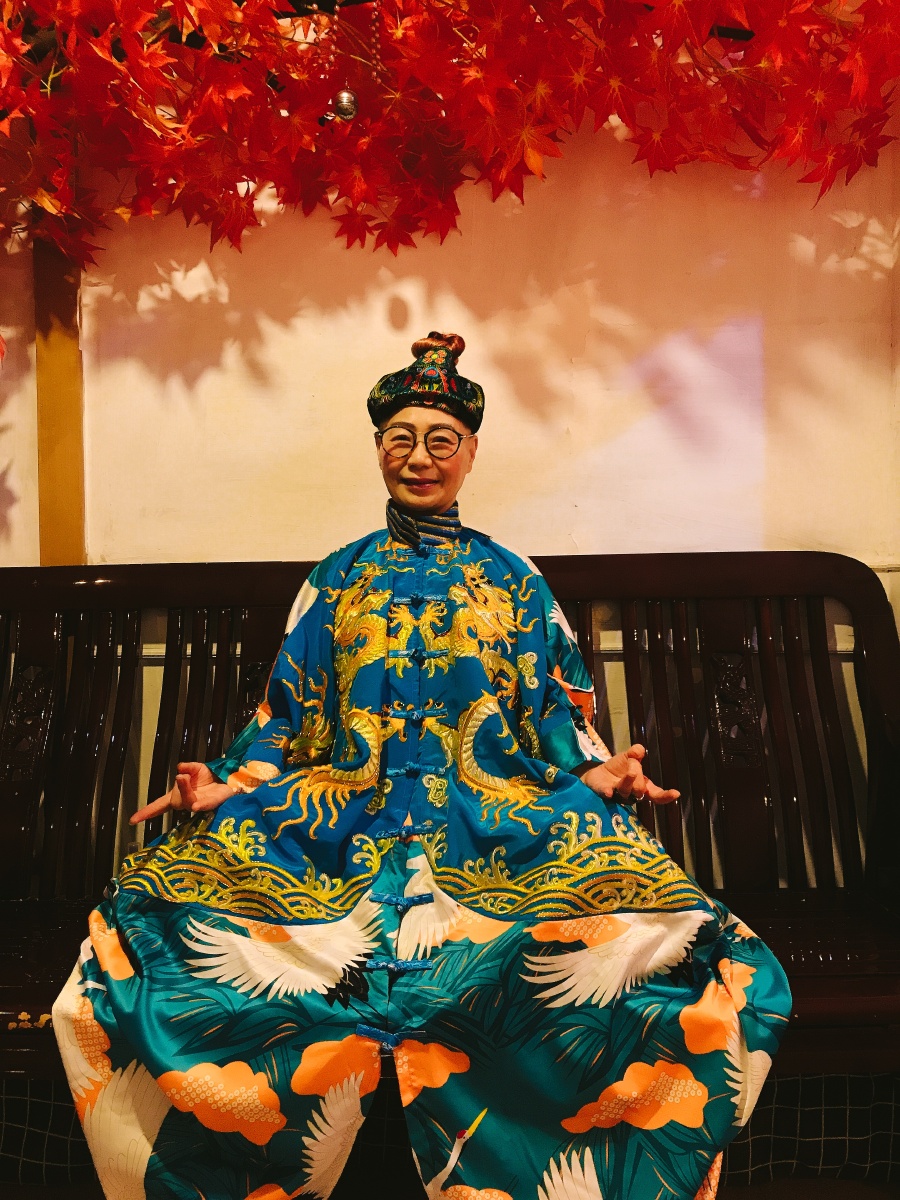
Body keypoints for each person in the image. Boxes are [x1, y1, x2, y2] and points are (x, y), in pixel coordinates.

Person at [53, 332, 791, 1200]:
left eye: (442, 440)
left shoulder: (514, 580)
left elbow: (558, 712)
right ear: (377, 449)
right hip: (340, 825)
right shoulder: (336, 579)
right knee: (153, 933)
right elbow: (286, 715)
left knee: (657, 948)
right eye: (400, 438)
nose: (420, 457)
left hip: (492, 820)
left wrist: (599, 773)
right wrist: (229, 782)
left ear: (471, 453)